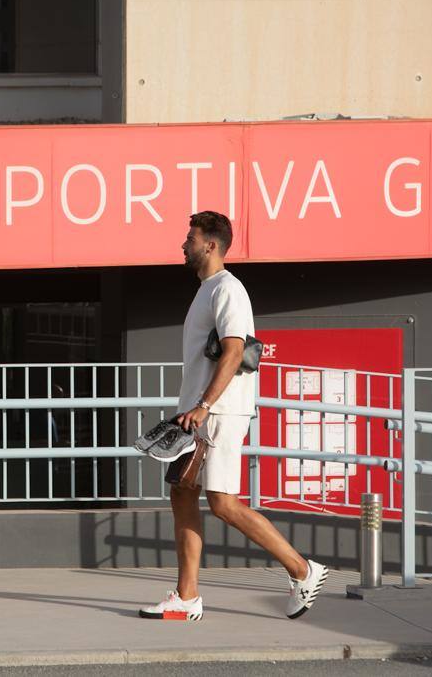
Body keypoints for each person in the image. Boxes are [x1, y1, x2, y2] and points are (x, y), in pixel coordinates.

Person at [140, 210, 328, 622]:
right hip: (197, 415)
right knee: (183, 492)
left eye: (189, 237)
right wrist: (192, 409)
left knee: (223, 502)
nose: (183, 243)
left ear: (210, 244)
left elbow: (235, 351)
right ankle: (186, 597)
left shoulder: (228, 289)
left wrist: (204, 405)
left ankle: (302, 569)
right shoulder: (207, 289)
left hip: (217, 413)